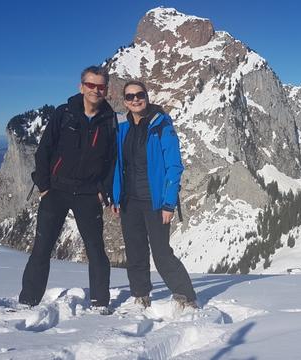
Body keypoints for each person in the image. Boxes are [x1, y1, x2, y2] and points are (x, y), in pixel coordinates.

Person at [19, 66, 116, 314]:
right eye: (91, 85)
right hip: (56, 191)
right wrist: (44, 187)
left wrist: (102, 189)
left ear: (106, 89)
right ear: (81, 87)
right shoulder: (64, 114)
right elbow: (44, 151)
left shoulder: (109, 119)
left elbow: (111, 159)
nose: (96, 90)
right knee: (42, 248)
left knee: (96, 250)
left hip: (87, 193)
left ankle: (100, 302)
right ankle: (28, 300)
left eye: (101, 86)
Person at [112, 80, 197, 309]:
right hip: (130, 200)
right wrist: (116, 196)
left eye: (139, 95)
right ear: (125, 101)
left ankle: (186, 296)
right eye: (130, 97)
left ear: (147, 97)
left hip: (155, 201)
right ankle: (141, 294)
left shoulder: (161, 125)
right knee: (135, 250)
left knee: (161, 252)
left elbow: (174, 166)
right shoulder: (122, 127)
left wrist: (169, 203)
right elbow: (116, 164)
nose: (135, 99)